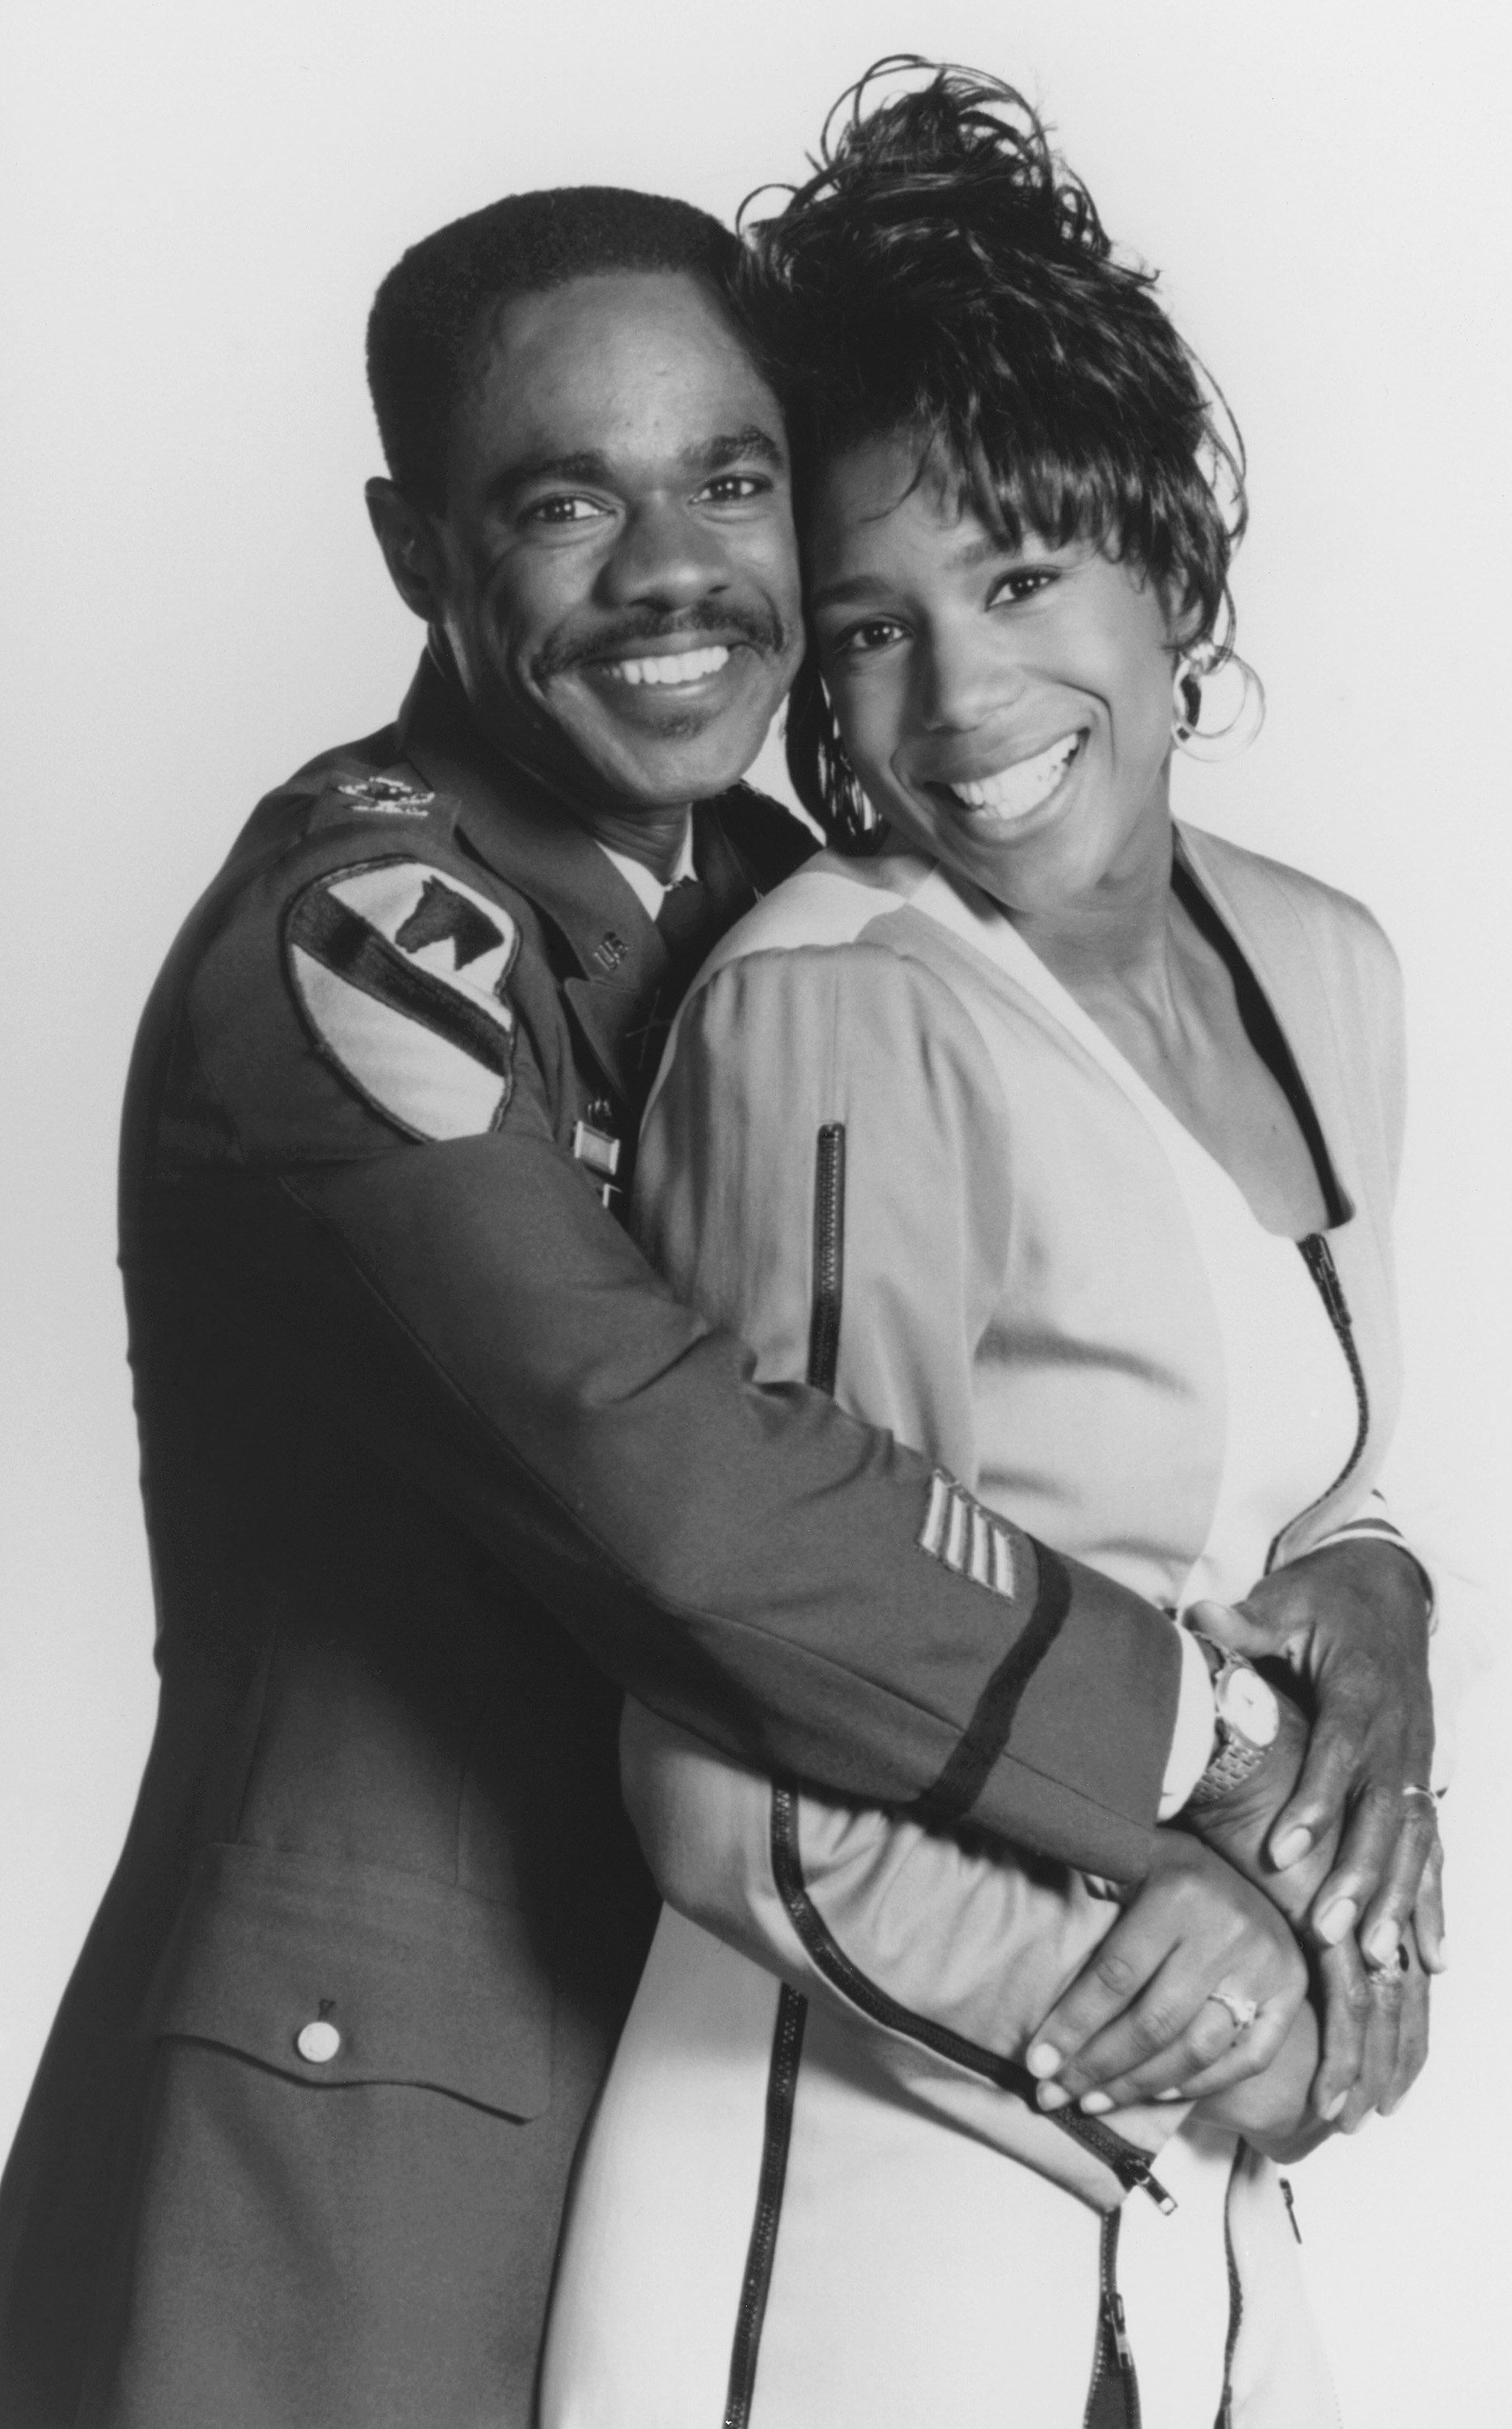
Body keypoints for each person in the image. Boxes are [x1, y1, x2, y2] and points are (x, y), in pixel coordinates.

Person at [0, 180, 1407, 2429]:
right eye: (565, 500)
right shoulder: (364, 937)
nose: (672, 570)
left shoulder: (774, 903)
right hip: (360, 2153)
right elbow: (683, 1476)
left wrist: (1372, 1604)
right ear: (411, 546)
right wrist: (1214, 1759)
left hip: (722, 2068)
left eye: (731, 481)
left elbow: (1149, 1326)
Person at [538, 68, 1463, 2428]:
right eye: (863, 629)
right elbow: (739, 1754)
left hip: (1198, 2251)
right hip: (865, 2218)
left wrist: (1386, 1612)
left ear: (1169, 560)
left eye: (1020, 576)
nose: (955, 709)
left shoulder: (1321, 967)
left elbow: (1286, 1493)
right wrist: (1225, 2021)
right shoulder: (848, 1005)